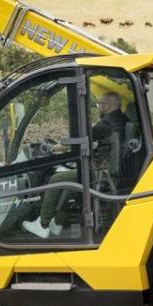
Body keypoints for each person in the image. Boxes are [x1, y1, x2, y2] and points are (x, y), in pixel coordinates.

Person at [22, 90, 130, 239]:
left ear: (106, 106)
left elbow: (80, 139)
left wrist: (56, 147)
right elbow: (102, 143)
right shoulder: (122, 120)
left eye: (99, 105)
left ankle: (42, 224)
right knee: (71, 183)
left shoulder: (106, 124)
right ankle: (58, 224)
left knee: (56, 179)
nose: (98, 108)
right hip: (110, 170)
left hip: (101, 172)